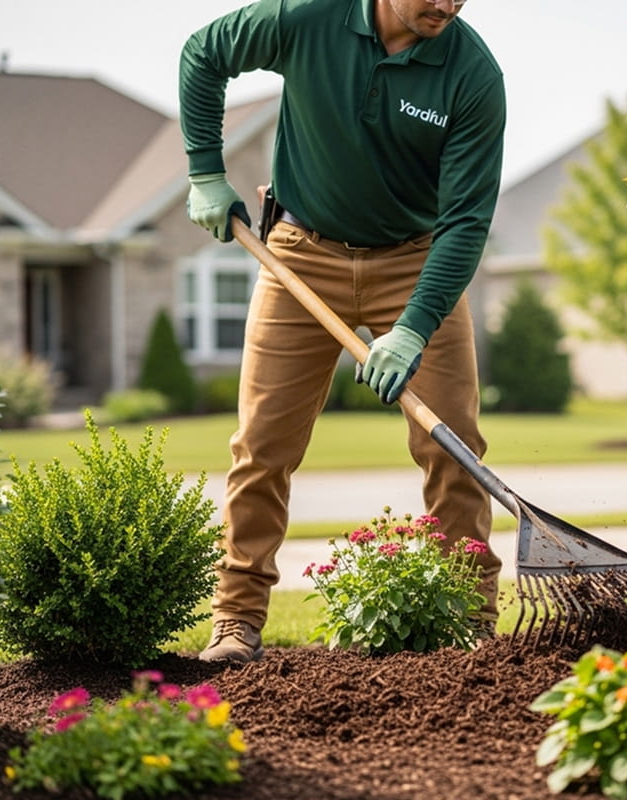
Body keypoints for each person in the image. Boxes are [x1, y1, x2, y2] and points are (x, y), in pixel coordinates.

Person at [179, 0, 506, 663]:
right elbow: (203, 54)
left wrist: (415, 328)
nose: (446, 5)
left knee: (454, 448)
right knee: (262, 444)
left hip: (416, 260)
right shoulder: (308, 17)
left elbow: (466, 220)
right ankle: (237, 618)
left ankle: (470, 622)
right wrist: (205, 170)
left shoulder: (471, 74)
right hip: (300, 250)